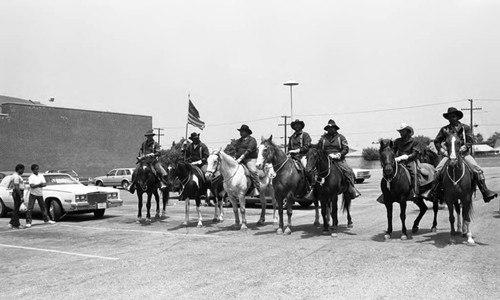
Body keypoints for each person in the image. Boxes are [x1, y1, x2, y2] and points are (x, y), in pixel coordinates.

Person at [424, 107, 497, 202]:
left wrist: (466, 147)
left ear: (457, 117)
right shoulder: (444, 129)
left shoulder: (465, 128)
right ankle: (435, 192)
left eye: (453, 116)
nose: (452, 118)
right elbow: (437, 141)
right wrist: (442, 151)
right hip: (449, 155)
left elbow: (471, 140)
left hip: (464, 154)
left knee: (477, 169)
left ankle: (485, 191)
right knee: (437, 170)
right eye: (450, 117)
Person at [317, 119, 361, 199]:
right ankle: (313, 190)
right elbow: (319, 148)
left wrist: (339, 154)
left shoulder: (341, 137)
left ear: (335, 128)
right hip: (326, 158)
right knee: (313, 170)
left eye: (332, 128)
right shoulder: (323, 138)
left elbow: (346, 148)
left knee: (349, 171)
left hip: (338, 159)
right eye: (329, 128)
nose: (331, 130)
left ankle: (352, 188)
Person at [376, 123, 420, 203]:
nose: (401, 133)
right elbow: (393, 151)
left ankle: (414, 192)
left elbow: (415, 153)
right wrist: (392, 157)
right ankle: (386, 193)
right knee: (388, 172)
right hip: (399, 161)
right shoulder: (397, 141)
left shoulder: (414, 141)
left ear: (407, 131)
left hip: (410, 161)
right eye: (400, 131)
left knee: (414, 173)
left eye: (403, 131)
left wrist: (406, 157)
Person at [129, 129, 169, 193]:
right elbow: (141, 151)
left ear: (152, 136)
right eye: (148, 136)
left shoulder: (155, 144)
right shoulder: (143, 144)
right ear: (146, 136)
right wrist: (140, 156)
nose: (149, 137)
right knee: (136, 170)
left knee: (161, 170)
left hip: (153, 161)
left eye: (150, 136)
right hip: (144, 161)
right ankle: (132, 184)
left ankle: (161, 183)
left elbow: (159, 153)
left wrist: (153, 154)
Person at [287, 119, 314, 199]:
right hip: (293, 157)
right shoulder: (291, 137)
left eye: (298, 125)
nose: (297, 126)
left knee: (307, 170)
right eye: (295, 125)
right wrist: (289, 152)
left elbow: (307, 146)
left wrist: (297, 150)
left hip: (303, 156)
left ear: (301, 126)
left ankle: (311, 188)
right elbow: (289, 148)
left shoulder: (305, 135)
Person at [234, 124, 260, 196]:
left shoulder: (252, 140)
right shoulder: (238, 141)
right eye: (240, 131)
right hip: (239, 159)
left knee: (253, 171)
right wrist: (234, 157)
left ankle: (257, 188)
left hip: (250, 159)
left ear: (247, 132)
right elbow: (236, 150)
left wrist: (241, 157)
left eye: (242, 131)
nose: (241, 133)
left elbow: (249, 150)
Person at [9, 164, 26, 229]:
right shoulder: (16, 176)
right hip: (17, 193)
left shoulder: (16, 176)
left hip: (17, 192)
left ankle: (11, 222)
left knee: (16, 208)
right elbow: (16, 187)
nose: (23, 171)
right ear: (19, 169)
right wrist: (21, 196)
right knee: (16, 209)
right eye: (22, 169)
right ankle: (16, 224)